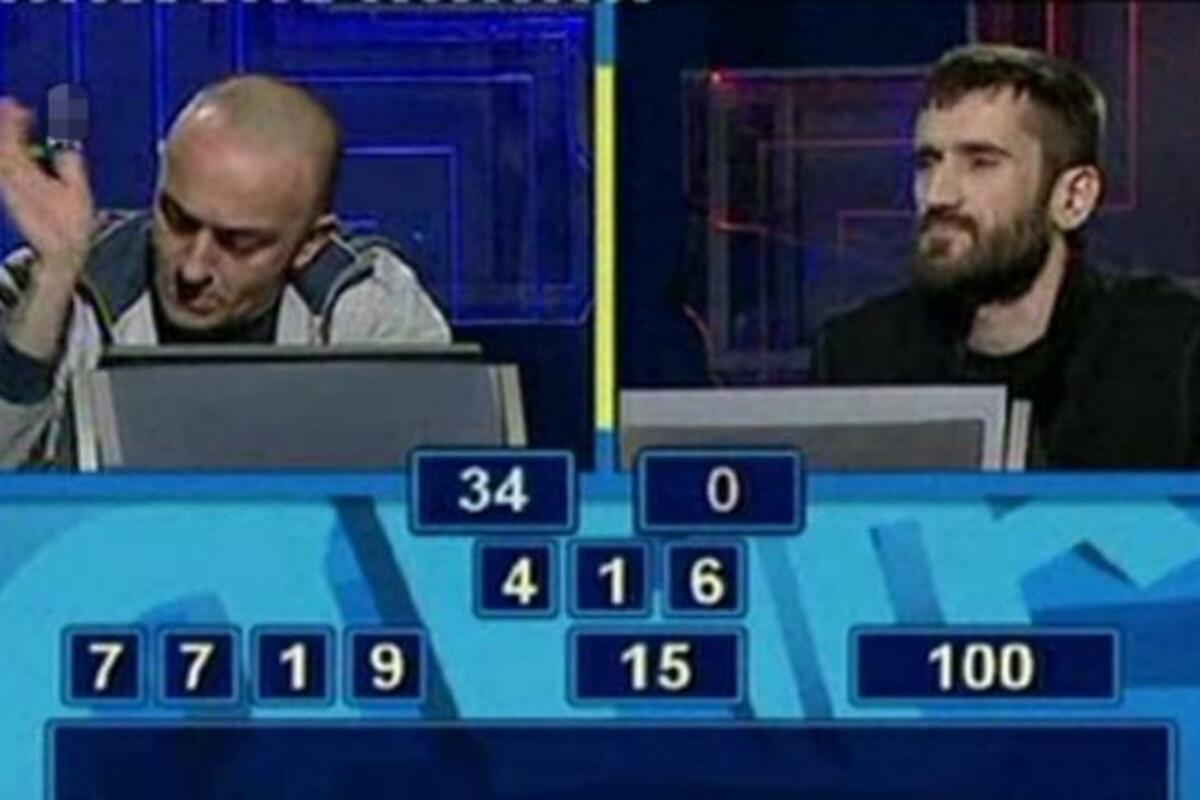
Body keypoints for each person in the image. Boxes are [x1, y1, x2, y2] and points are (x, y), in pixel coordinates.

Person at [0, 75, 451, 467]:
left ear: (310, 244)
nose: (193, 268)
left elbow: (435, 497)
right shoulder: (57, 284)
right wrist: (53, 279)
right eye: (178, 220)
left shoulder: (367, 306)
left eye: (239, 243)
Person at [813, 43, 1200, 468]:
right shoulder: (857, 358)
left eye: (981, 162)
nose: (938, 195)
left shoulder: (1178, 348)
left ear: (1073, 198)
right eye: (928, 163)